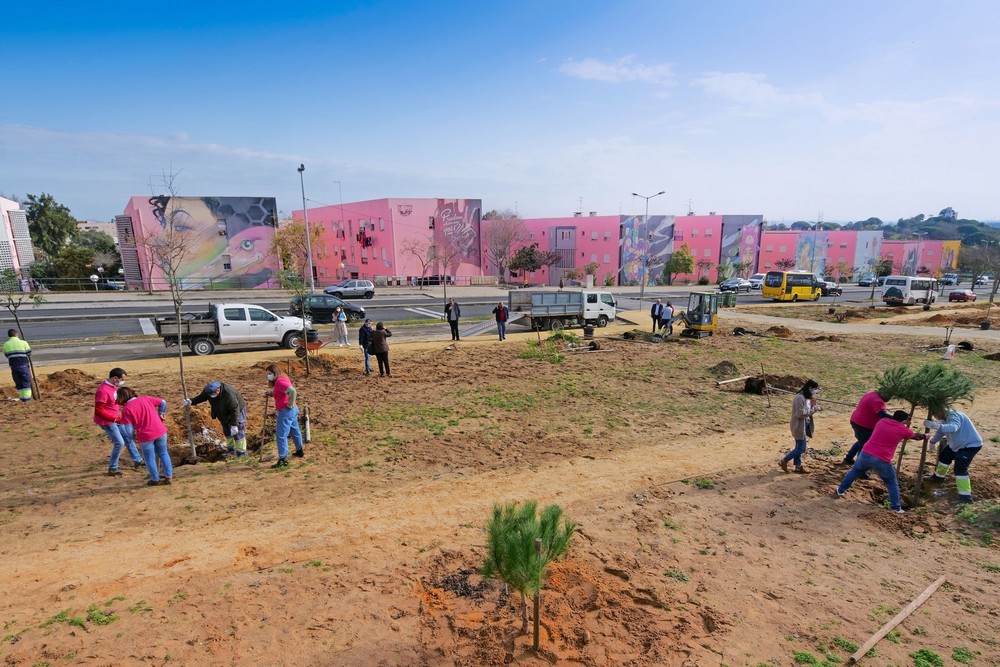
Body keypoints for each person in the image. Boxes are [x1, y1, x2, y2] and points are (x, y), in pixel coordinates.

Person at [836, 410, 926, 513]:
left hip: (865, 453)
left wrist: (904, 423)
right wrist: (925, 436)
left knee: (855, 471)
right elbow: (916, 436)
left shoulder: (882, 421)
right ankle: (896, 507)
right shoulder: (903, 430)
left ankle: (840, 490)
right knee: (891, 482)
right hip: (881, 459)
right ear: (904, 420)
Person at [923, 408, 983, 504]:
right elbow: (941, 432)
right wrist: (933, 441)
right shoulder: (945, 418)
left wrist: (936, 426)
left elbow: (953, 427)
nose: (935, 416)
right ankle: (938, 477)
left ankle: (965, 498)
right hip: (956, 445)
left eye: (935, 413)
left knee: (960, 468)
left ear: (942, 409)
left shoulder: (954, 415)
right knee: (944, 456)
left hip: (970, 445)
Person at [116, 387, 172, 486]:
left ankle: (155, 479)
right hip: (160, 430)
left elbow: (128, 429)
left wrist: (133, 437)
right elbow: (163, 402)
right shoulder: (146, 398)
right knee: (163, 453)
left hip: (145, 436)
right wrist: (161, 413)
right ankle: (168, 476)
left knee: (149, 458)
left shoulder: (126, 409)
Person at [94, 367, 143, 476]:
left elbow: (113, 402)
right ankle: (113, 467)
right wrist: (114, 419)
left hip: (115, 419)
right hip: (107, 422)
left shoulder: (112, 387)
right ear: (115, 378)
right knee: (119, 443)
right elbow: (98, 411)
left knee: (128, 436)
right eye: (122, 379)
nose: (122, 381)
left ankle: (138, 460)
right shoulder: (103, 391)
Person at [184, 381, 247, 457]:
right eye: (210, 395)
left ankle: (241, 452)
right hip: (221, 411)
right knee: (227, 430)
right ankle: (231, 449)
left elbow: (235, 410)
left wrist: (234, 425)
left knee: (238, 432)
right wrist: (191, 401)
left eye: (213, 394)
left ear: (218, 390)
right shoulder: (209, 391)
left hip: (237, 411)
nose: (211, 396)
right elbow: (201, 397)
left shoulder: (229, 394)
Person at [264, 363, 303, 469]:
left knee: (281, 435)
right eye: (267, 374)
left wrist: (290, 403)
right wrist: (271, 393)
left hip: (286, 411)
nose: (268, 376)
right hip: (293, 411)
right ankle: (300, 451)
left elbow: (292, 391)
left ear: (275, 372)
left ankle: (283, 459)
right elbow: (281, 391)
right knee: (295, 431)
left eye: (270, 373)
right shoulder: (282, 379)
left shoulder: (280, 381)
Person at [841, 388, 892, 466]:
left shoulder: (871, 393)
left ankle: (848, 458)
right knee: (864, 447)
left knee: (862, 441)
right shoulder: (878, 401)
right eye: (889, 396)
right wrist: (897, 419)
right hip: (864, 425)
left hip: (856, 421)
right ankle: (860, 468)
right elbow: (883, 415)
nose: (889, 398)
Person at [780, 379, 821, 474]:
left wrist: (812, 406)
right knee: (801, 448)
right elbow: (800, 414)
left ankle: (798, 466)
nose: (815, 391)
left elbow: (806, 411)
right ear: (810, 388)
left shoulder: (806, 398)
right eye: (814, 389)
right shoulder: (800, 398)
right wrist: (814, 409)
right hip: (798, 425)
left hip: (804, 424)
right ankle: (784, 460)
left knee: (798, 446)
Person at [3, 329, 33, 402]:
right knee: (25, 381)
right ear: (16, 334)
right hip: (23, 365)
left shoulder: (6, 344)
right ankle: (27, 399)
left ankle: (22, 397)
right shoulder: (23, 342)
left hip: (13, 366)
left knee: (18, 381)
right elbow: (29, 352)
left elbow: (7, 355)